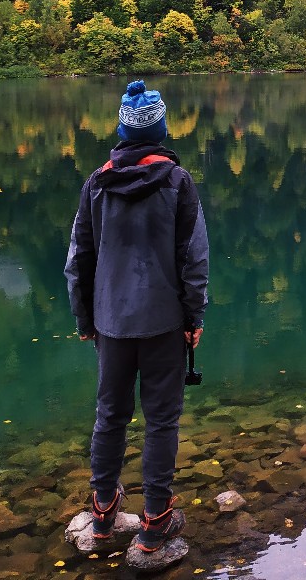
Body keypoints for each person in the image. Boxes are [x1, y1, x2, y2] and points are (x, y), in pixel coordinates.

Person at [65, 79, 210, 554]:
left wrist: (85, 319)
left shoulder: (97, 183)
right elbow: (194, 259)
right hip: (166, 322)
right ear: (162, 130)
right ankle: (154, 523)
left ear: (123, 130)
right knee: (162, 421)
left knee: (110, 415)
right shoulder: (177, 182)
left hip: (111, 322)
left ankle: (103, 514)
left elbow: (78, 260)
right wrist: (194, 317)